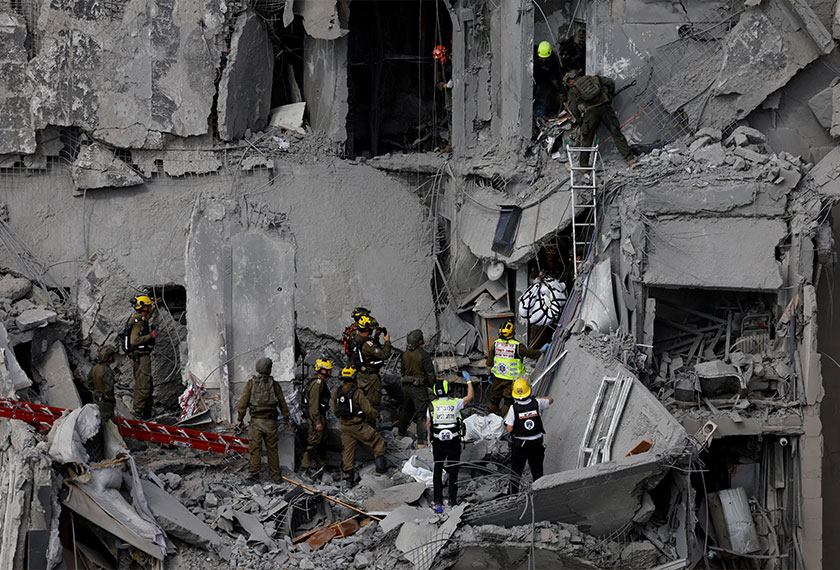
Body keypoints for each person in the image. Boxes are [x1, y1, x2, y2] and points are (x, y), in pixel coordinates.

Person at [564, 70, 637, 167]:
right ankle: (629, 159)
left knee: (587, 140)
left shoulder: (573, 89)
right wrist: (610, 95)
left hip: (590, 113)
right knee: (616, 133)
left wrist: (580, 120)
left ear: (570, 81)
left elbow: (573, 107)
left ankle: (584, 166)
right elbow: (610, 82)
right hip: (605, 107)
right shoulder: (593, 78)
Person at [236, 357, 292, 483]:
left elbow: (243, 403)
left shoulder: (251, 384)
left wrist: (240, 419)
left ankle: (255, 476)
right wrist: (287, 419)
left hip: (255, 423)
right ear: (269, 370)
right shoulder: (275, 385)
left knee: (255, 449)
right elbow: (283, 403)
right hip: (271, 423)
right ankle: (276, 477)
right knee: (272, 449)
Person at [426, 374, 474, 513]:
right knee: (453, 470)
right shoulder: (455, 403)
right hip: (453, 441)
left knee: (437, 469)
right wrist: (469, 381)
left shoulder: (431, 406)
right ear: (448, 390)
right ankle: (452, 500)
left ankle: (438, 502)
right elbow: (470, 397)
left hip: (438, 442)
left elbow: (428, 424)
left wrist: (430, 441)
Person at [334, 366, 388, 486]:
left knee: (347, 453)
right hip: (358, 426)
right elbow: (368, 410)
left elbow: (336, 411)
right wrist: (376, 415)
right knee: (378, 442)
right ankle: (381, 471)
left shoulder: (337, 392)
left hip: (345, 427)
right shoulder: (357, 392)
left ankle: (348, 480)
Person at [505, 378, 554, 494]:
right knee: (537, 470)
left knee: (516, 472)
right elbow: (551, 400)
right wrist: (537, 399)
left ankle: (512, 495)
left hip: (520, 445)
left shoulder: (513, 408)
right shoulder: (538, 403)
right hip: (536, 443)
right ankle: (539, 493)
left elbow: (509, 428)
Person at [486, 320, 545, 416]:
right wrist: (540, 351)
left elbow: (489, 363)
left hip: (497, 378)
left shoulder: (495, 344)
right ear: (513, 333)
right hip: (511, 380)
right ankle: (503, 420)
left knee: (494, 400)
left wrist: (489, 375)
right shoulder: (517, 346)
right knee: (508, 401)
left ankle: (490, 418)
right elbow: (530, 354)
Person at [351, 315, 392, 427]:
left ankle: (361, 428)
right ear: (368, 329)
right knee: (372, 405)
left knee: (361, 403)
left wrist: (376, 337)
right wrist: (387, 341)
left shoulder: (356, 338)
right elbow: (384, 354)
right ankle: (370, 433)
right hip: (370, 379)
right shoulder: (367, 345)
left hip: (361, 375)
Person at [397, 329, 435, 447]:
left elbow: (402, 371)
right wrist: (433, 387)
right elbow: (430, 374)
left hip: (406, 388)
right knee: (421, 415)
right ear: (419, 341)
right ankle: (421, 442)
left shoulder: (404, 354)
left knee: (406, 410)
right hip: (419, 388)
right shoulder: (423, 354)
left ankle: (400, 434)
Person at [301, 358, 333, 477]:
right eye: (328, 370)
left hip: (321, 416)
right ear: (322, 370)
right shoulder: (317, 383)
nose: (330, 372)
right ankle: (305, 468)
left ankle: (321, 465)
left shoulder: (320, 382)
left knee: (322, 442)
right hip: (316, 417)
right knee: (313, 443)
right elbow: (313, 405)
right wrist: (317, 422)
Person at [127, 295, 157, 419]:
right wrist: (150, 336)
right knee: (143, 385)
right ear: (143, 307)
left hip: (142, 357)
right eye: (148, 305)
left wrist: (154, 306)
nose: (149, 307)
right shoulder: (139, 321)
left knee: (148, 385)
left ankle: (146, 413)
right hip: (140, 357)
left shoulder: (142, 318)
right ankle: (138, 413)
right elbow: (134, 340)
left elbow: (147, 317)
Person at [89, 345, 117, 430]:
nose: (113, 357)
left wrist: (97, 391)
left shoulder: (94, 368)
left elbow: (89, 383)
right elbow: (109, 388)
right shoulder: (107, 370)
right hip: (106, 404)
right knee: (108, 426)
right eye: (111, 356)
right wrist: (110, 397)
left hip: (96, 401)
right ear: (107, 357)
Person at [533, 40, 564, 118]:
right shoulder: (533, 53)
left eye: (545, 59)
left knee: (544, 97)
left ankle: (540, 114)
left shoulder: (553, 60)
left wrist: (561, 90)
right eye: (541, 58)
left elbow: (558, 75)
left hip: (547, 79)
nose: (543, 60)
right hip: (535, 78)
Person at [433, 44, 453, 151]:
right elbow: (437, 83)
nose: (441, 61)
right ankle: (451, 143)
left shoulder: (452, 59)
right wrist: (446, 85)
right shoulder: (438, 65)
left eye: (442, 58)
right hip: (449, 95)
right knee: (451, 119)